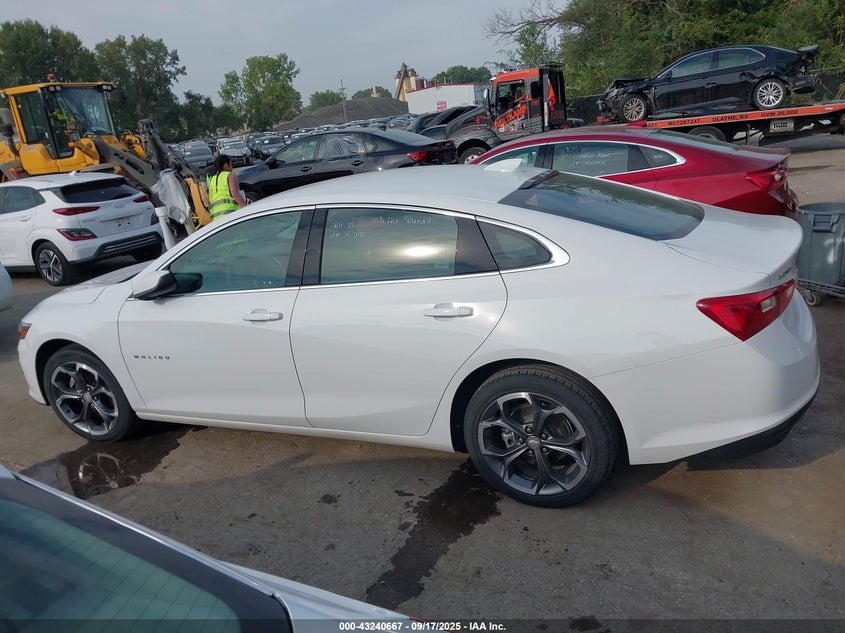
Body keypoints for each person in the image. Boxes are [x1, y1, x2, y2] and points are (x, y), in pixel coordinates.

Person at [201, 154, 248, 221]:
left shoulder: (212, 180)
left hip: (216, 219)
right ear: (226, 165)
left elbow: (207, 199)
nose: (232, 168)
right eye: (231, 164)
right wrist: (245, 207)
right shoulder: (230, 176)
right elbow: (235, 194)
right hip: (231, 215)